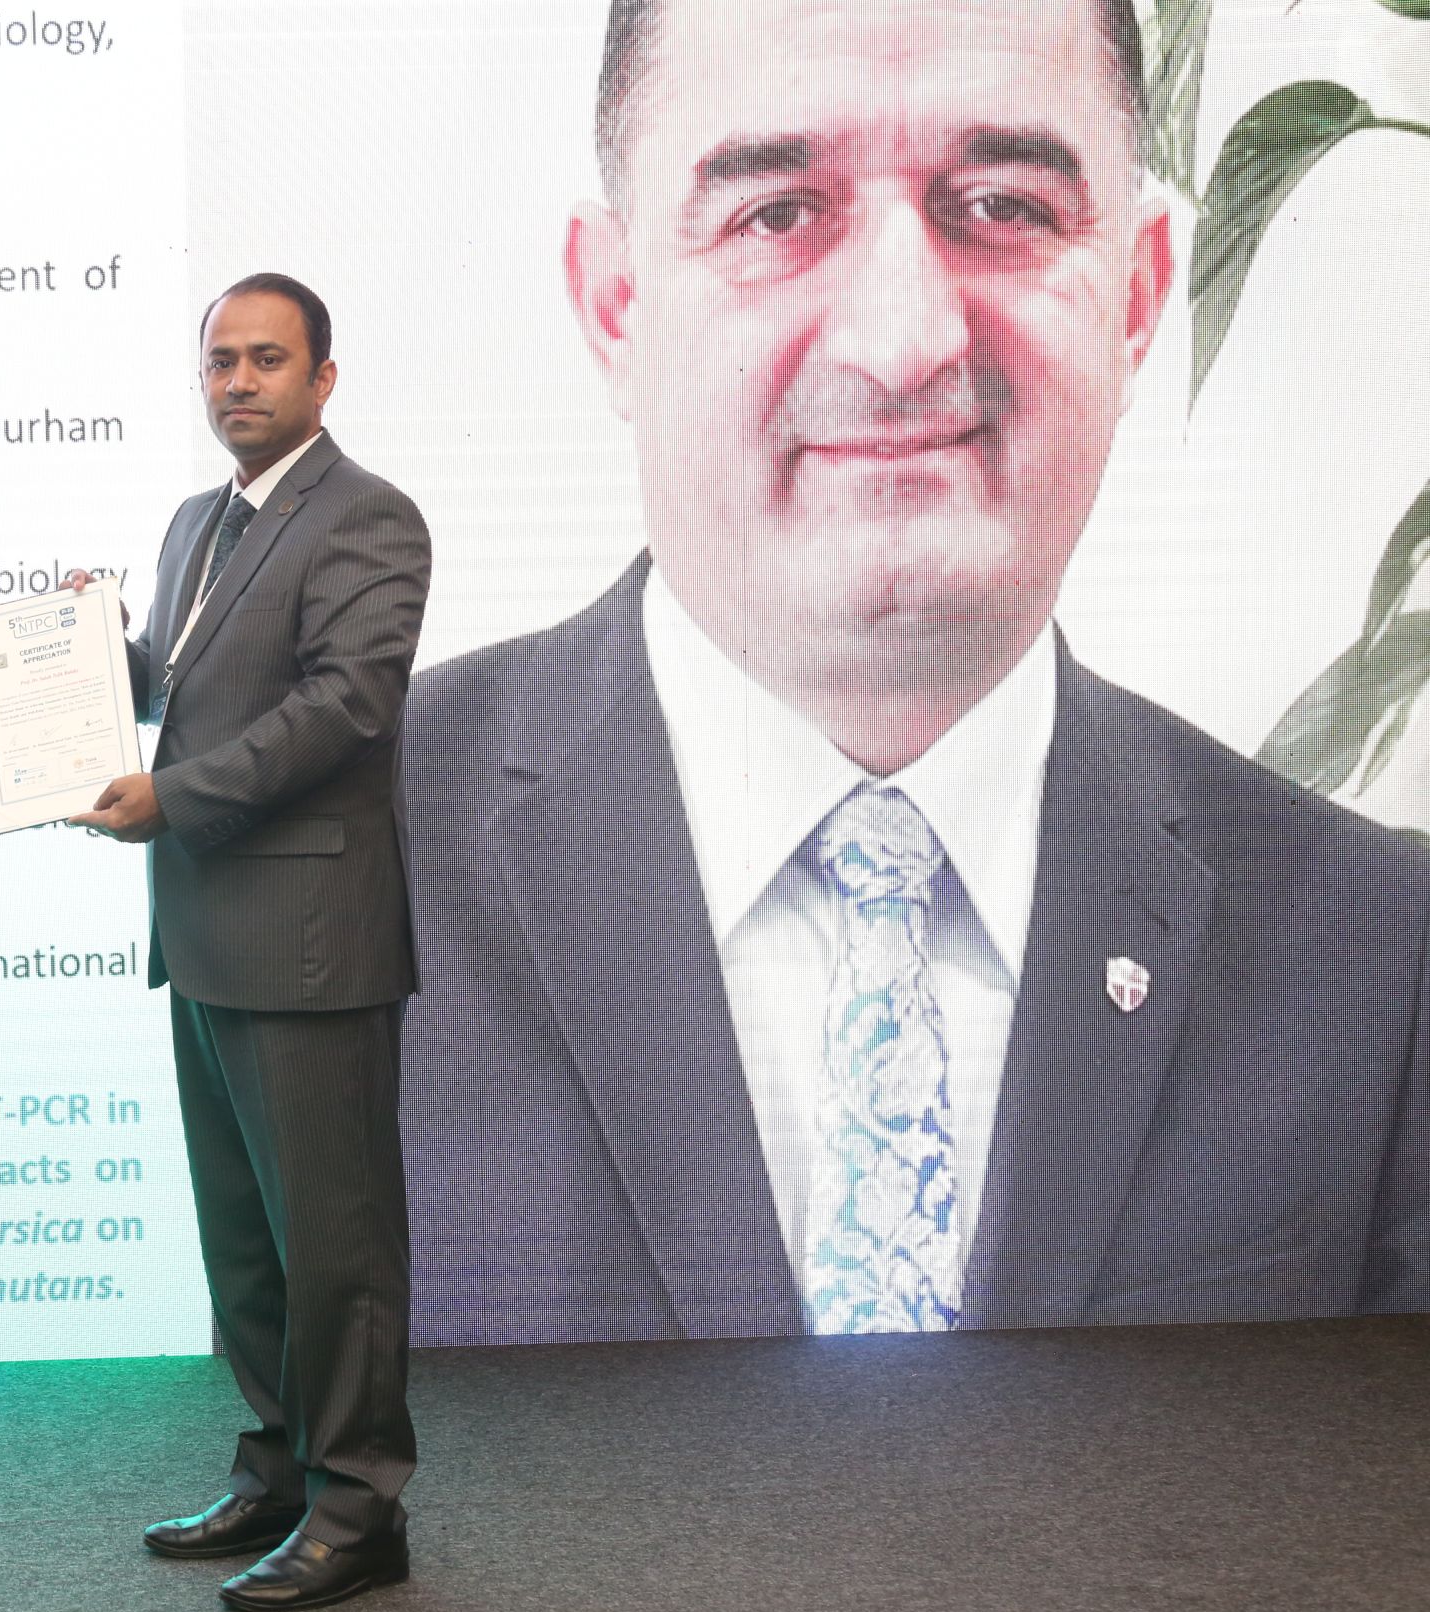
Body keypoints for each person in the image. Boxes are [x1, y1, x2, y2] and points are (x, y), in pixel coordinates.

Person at [399, 0, 1430, 1344]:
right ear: (616, 306)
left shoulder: (1383, 956)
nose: (901, 341)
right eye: (776, 214)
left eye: (1004, 206)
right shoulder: (329, 865)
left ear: (1134, 301)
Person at [71, 274, 430, 1611]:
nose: (237, 381)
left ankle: (358, 1507)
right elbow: (183, 683)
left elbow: (345, 707)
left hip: (311, 940)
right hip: (208, 928)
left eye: (267, 359)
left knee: (336, 1247)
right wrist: (75, 652)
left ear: (323, 378)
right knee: (246, 1242)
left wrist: (175, 797)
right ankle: (279, 1469)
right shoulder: (197, 522)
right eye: (219, 360)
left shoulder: (368, 515)